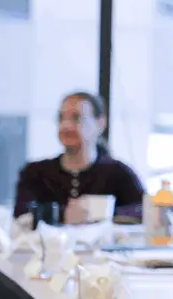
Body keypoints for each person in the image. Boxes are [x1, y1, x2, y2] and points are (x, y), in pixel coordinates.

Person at [13, 92, 145, 223]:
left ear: (100, 123)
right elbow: (21, 213)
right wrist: (62, 214)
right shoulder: (35, 172)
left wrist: (99, 213)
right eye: (61, 118)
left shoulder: (118, 172)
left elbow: (143, 209)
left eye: (76, 118)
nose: (66, 126)